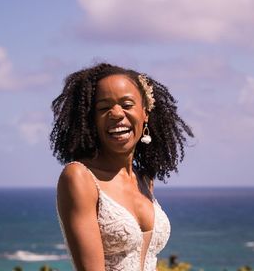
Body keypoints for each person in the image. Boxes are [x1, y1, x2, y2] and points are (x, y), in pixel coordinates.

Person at [50, 63, 193, 271]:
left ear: (145, 113)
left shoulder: (144, 179)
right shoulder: (79, 177)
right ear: (91, 120)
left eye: (127, 104)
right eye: (103, 107)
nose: (116, 113)